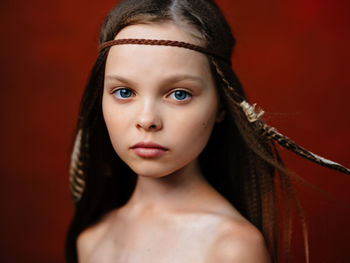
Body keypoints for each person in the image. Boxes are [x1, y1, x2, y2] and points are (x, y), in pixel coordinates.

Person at [65, 0, 350, 262]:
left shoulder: (232, 249)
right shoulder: (92, 240)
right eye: (124, 91)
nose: (147, 119)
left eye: (179, 94)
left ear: (221, 106)